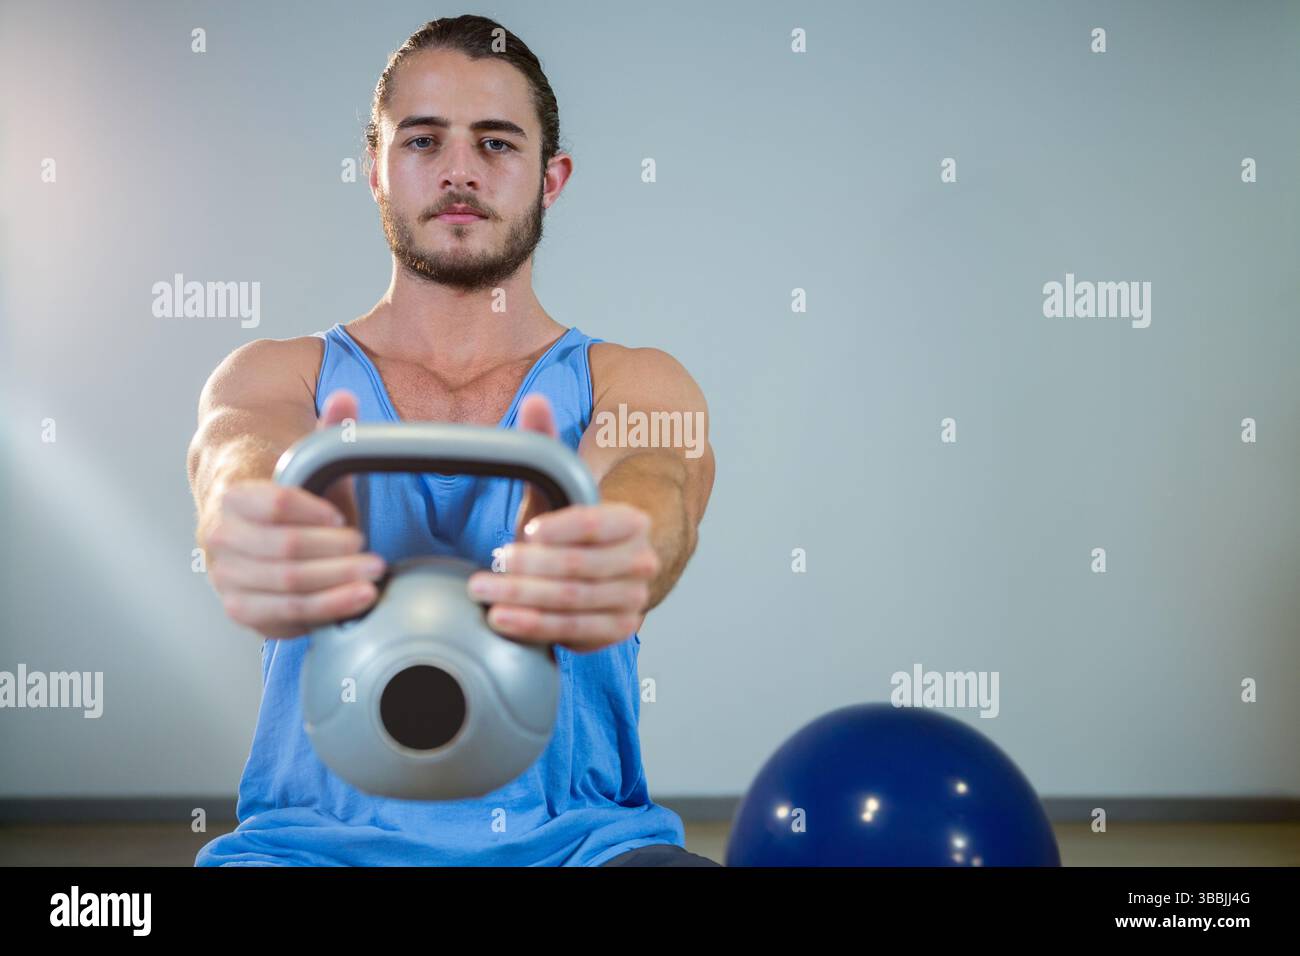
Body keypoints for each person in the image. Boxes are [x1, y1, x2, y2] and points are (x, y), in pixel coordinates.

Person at [186, 15, 717, 867]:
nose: (460, 171)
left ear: (552, 178)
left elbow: (660, 480)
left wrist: (625, 545)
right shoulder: (274, 375)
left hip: (581, 850)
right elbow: (234, 455)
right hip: (308, 851)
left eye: (497, 144)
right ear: (376, 170)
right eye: (424, 141)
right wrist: (252, 516)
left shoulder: (637, 380)